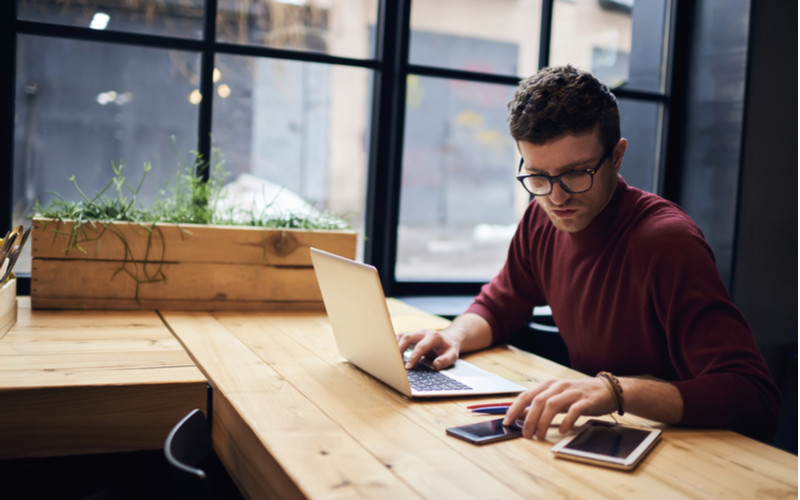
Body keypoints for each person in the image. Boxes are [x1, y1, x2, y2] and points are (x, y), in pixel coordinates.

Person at [398, 65, 780, 442]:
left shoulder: (667, 242)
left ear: (617, 156)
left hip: (686, 449)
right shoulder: (541, 217)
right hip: (605, 436)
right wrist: (454, 335)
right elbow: (501, 304)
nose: (557, 197)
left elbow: (754, 397)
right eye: (538, 176)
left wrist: (616, 391)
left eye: (577, 173)